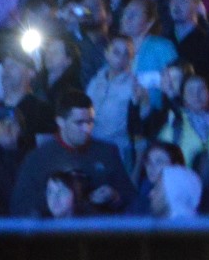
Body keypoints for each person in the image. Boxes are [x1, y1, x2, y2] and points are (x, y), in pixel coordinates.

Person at [8, 90, 138, 216]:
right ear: (60, 122)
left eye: (90, 122)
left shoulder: (107, 153)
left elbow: (131, 199)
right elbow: (21, 207)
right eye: (79, 123)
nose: (86, 129)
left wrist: (115, 196)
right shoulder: (38, 159)